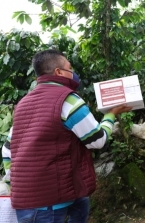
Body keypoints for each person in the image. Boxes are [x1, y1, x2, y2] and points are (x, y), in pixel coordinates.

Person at [1, 49, 132, 223]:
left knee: (82, 203)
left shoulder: (23, 103)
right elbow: (98, 140)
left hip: (26, 201)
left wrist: (14, 186)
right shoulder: (68, 99)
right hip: (48, 204)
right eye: (70, 68)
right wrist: (111, 114)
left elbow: (7, 149)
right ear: (58, 72)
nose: (73, 73)